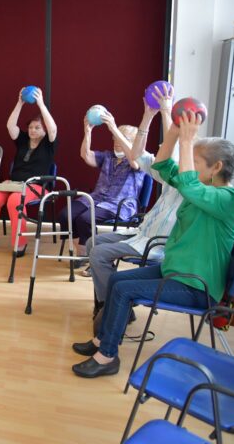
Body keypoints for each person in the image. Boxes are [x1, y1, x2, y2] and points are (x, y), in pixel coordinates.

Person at [71, 111, 234, 378]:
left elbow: (189, 188)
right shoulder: (200, 186)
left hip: (196, 285)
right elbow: (162, 166)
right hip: (174, 270)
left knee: (122, 291)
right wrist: (175, 135)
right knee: (118, 282)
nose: (190, 166)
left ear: (217, 167)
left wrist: (188, 142)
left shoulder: (231, 199)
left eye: (196, 162)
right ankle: (102, 342)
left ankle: (107, 357)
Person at [85, 85, 180, 311]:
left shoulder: (182, 179)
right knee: (92, 242)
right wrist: (148, 115)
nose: (160, 152)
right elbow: (138, 154)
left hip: (155, 244)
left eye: (163, 150)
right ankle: (109, 301)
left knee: (98, 253)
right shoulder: (163, 173)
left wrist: (167, 112)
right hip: (141, 234)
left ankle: (112, 306)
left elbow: (170, 152)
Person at [0, 87, 57, 255]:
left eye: (37, 128)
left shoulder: (48, 144)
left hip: (36, 187)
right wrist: (19, 103)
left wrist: (41, 104)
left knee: (15, 200)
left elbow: (53, 129)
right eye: (30, 127)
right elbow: (10, 125)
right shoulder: (22, 141)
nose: (32, 130)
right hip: (15, 184)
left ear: (43, 131)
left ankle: (20, 243)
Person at [58, 113, 145, 259]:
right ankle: (82, 249)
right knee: (65, 215)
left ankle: (87, 253)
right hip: (96, 199)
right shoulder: (108, 156)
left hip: (118, 205)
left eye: (123, 138)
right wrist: (88, 132)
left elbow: (134, 162)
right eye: (116, 137)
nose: (117, 141)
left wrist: (113, 128)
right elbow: (86, 155)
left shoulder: (140, 159)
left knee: (84, 219)